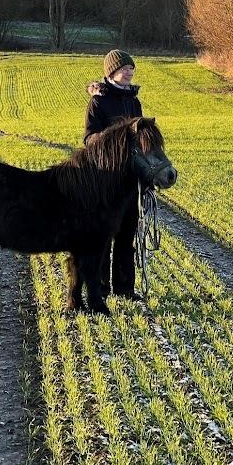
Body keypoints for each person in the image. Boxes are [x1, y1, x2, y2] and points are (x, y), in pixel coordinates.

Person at [84, 49, 142, 299]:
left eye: (131, 68)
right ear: (112, 72)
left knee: (127, 235)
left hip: (129, 179)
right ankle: (99, 288)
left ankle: (125, 289)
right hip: (105, 180)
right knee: (103, 236)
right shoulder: (98, 101)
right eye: (124, 68)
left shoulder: (134, 101)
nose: (129, 72)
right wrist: (114, 139)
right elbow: (88, 139)